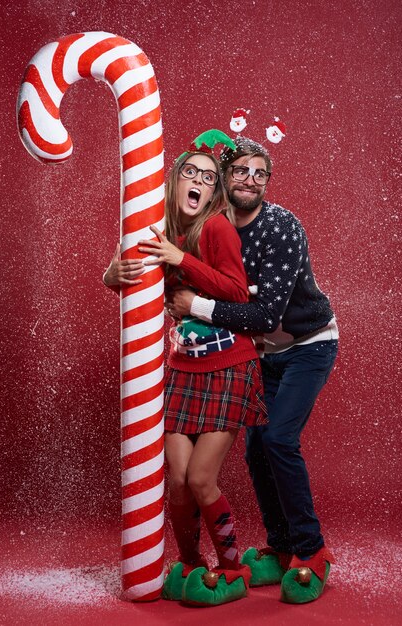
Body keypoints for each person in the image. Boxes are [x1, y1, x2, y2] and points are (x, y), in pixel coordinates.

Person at [168, 136, 339, 604]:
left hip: (307, 345)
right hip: (258, 355)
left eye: (260, 173)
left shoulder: (282, 226)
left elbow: (263, 315)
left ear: (267, 183)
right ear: (225, 176)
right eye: (241, 170)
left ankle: (311, 550)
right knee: (258, 450)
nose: (250, 180)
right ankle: (280, 546)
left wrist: (195, 304)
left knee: (281, 439)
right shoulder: (211, 225)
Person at [103, 130, 267, 606]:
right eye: (190, 173)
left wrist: (181, 260)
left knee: (200, 479)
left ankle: (232, 567)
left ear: (214, 191)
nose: (198, 181)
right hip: (182, 369)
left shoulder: (215, 228)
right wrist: (112, 277)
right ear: (175, 181)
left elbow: (238, 292)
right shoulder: (155, 229)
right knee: (174, 479)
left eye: (208, 177)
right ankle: (193, 565)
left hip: (229, 368)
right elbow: (131, 285)